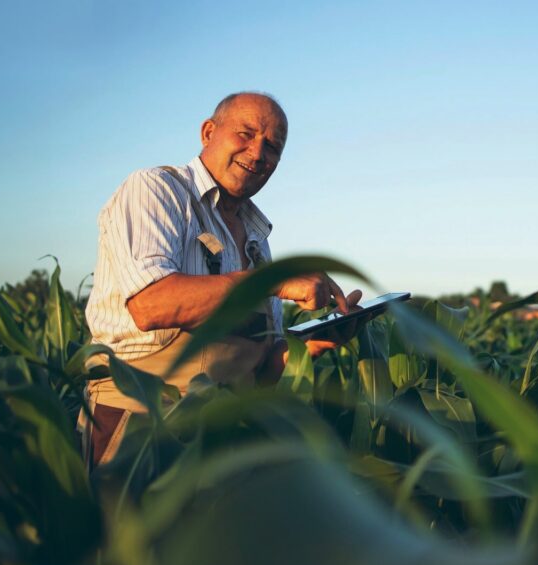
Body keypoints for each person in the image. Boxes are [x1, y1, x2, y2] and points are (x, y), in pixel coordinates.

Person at [82, 92, 362, 466]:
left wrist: (305, 349)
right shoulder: (156, 190)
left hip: (223, 436)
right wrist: (270, 282)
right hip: (142, 425)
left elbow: (259, 372)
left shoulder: (256, 238)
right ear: (208, 132)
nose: (258, 153)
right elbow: (151, 304)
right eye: (245, 134)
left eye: (273, 147)